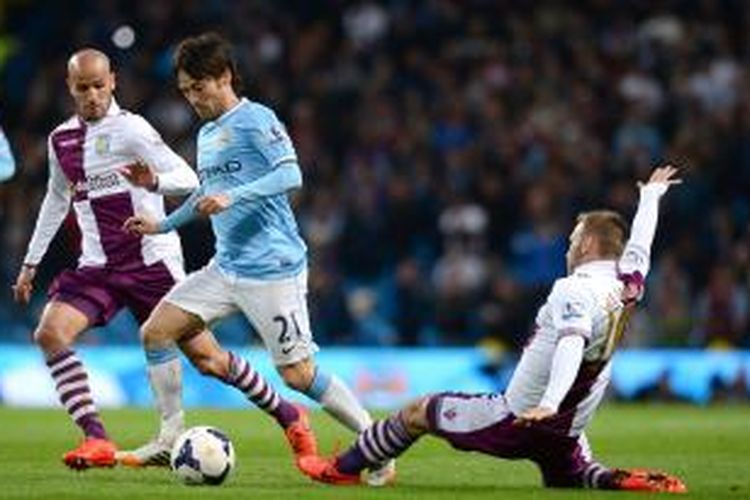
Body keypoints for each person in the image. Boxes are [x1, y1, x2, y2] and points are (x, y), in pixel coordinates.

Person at [297, 166, 688, 493]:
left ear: (586, 244)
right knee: (569, 476)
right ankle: (614, 479)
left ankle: (343, 468)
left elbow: (572, 341)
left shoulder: (575, 289)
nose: (567, 249)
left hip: (519, 417)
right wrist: (650, 197)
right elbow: (640, 248)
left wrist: (547, 403)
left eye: (572, 241)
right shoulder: (628, 284)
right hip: (568, 431)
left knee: (417, 412)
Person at [122, 32, 393, 484]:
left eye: (199, 87)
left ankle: (377, 442)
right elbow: (206, 194)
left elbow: (291, 173)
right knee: (156, 331)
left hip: (273, 268)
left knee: (299, 374)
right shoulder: (207, 134)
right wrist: (161, 225)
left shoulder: (255, 119)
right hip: (225, 266)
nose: (193, 98)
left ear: (224, 76)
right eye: (186, 91)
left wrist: (234, 196)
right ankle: (170, 435)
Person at [12, 48, 202, 470]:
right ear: (70, 88)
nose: (93, 95)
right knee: (50, 333)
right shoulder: (60, 139)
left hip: (151, 262)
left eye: (100, 85)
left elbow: (189, 179)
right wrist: (30, 264)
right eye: (84, 88)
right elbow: (55, 200)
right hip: (98, 267)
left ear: (112, 81)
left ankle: (287, 414)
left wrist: (153, 181)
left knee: (209, 359)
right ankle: (96, 439)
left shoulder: (132, 129)